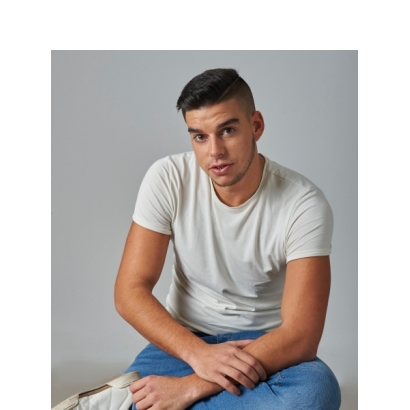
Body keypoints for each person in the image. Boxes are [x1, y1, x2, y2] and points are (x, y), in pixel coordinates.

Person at [114, 68, 341, 410]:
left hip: (265, 353)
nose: (215, 151)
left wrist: (192, 387)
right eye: (200, 137)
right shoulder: (167, 178)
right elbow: (129, 291)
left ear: (256, 126)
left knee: (315, 395)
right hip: (182, 345)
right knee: (142, 399)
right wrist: (199, 354)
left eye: (228, 131)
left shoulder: (303, 204)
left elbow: (301, 336)